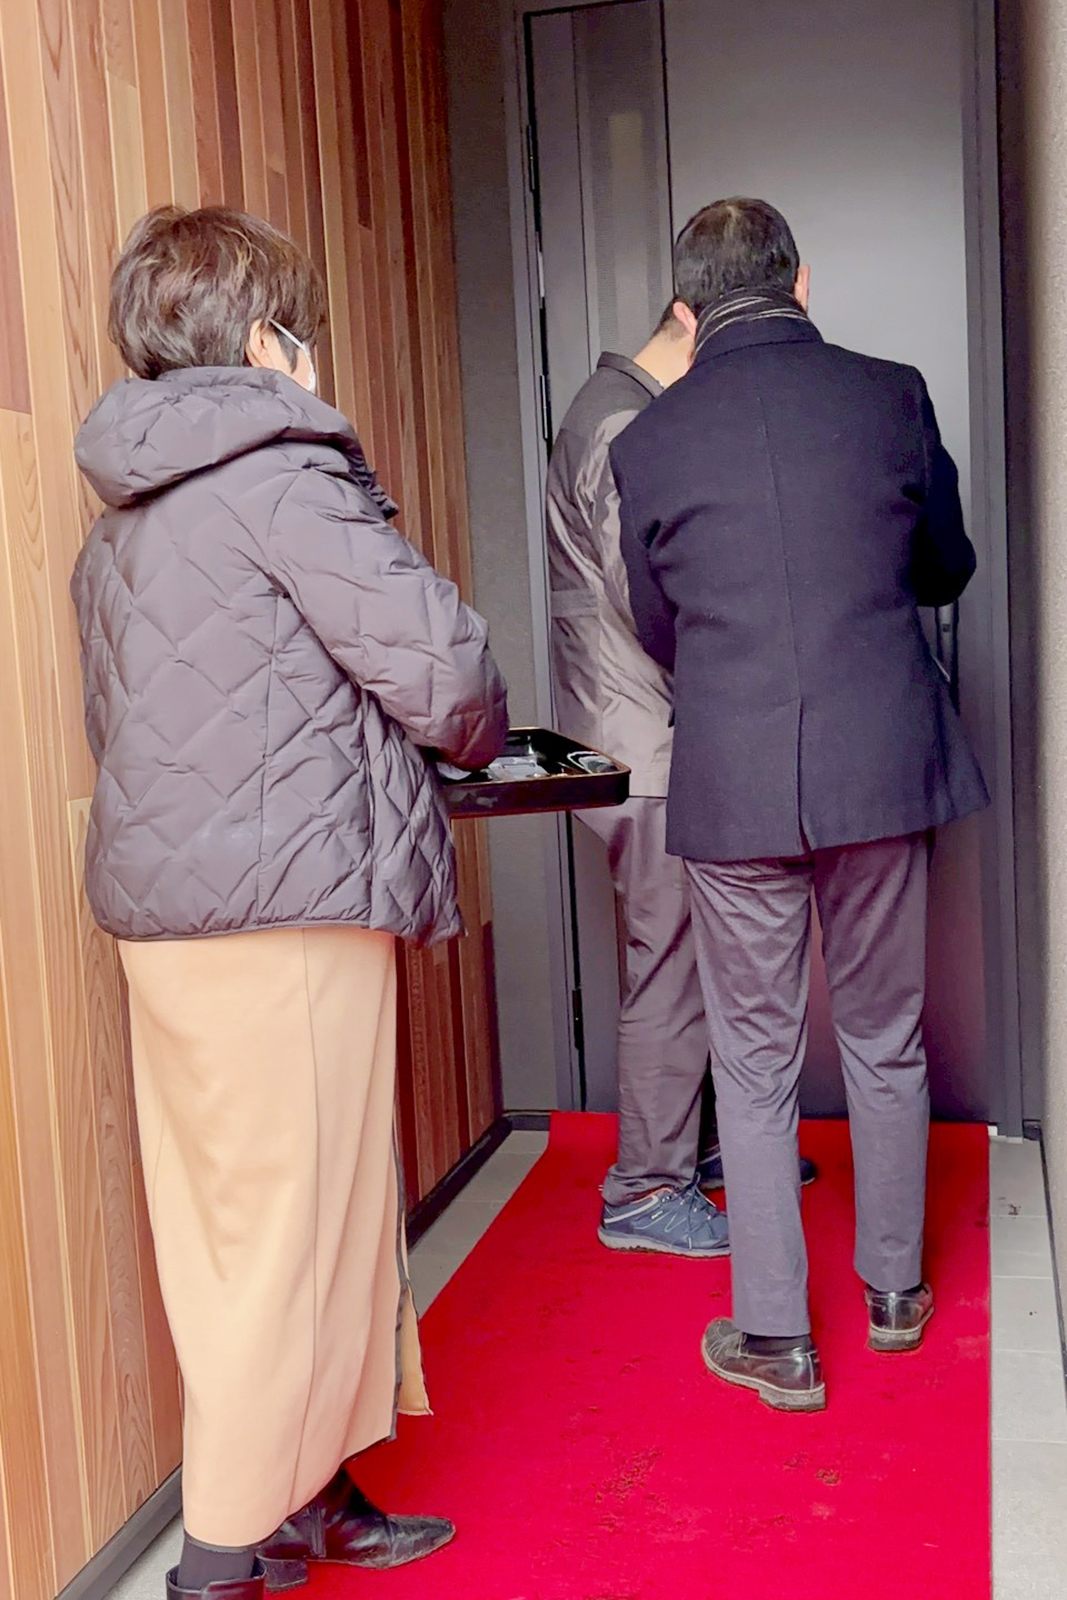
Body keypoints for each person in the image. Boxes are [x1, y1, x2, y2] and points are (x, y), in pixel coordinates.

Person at [71, 206, 508, 1599]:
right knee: (295, 1229)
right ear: (267, 339)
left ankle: (306, 1494)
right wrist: (485, 738)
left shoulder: (120, 523)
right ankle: (214, 1563)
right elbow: (446, 672)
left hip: (168, 919)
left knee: (238, 1229)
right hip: (283, 912)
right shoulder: (280, 481)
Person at [612, 198, 988, 1411]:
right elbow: (944, 564)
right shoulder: (891, 394)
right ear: (800, 281)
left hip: (732, 775)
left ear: (686, 309)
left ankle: (774, 1337)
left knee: (753, 1055)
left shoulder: (647, 441)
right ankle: (893, 1293)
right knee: (883, 1033)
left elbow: (655, 624)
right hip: (879, 763)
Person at [546, 307, 816, 1258]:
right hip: (640, 739)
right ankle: (644, 1189)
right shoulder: (621, 420)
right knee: (665, 959)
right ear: (688, 325)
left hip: (632, 730)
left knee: (685, 951)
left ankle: (689, 1147)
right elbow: (650, 589)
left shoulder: (612, 407)